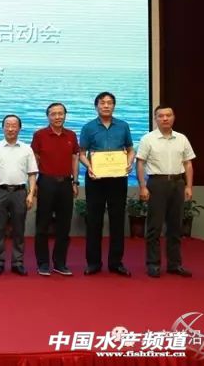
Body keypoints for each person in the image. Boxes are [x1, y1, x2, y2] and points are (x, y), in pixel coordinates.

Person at [79, 92, 134, 277]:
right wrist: (89, 166)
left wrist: (129, 162)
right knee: (94, 220)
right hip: (95, 179)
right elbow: (81, 153)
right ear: (96, 106)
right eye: (102, 103)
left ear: (114, 106)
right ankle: (93, 263)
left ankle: (116, 263)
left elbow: (130, 149)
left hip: (118, 179)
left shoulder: (123, 126)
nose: (106, 106)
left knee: (117, 220)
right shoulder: (88, 127)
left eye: (110, 103)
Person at [136, 105, 195, 278]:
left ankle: (174, 264)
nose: (165, 118)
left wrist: (189, 186)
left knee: (175, 226)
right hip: (157, 183)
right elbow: (140, 163)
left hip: (177, 183)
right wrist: (142, 186)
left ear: (173, 117)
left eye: (168, 115)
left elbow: (188, 164)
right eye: (161, 116)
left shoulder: (181, 138)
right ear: (155, 118)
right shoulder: (148, 139)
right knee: (154, 226)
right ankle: (153, 264)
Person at [31, 103, 80, 276]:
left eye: (61, 113)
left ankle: (60, 263)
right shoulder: (39, 135)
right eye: (54, 114)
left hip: (66, 183)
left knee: (64, 226)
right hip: (46, 182)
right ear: (48, 116)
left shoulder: (71, 135)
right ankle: (43, 263)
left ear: (65, 115)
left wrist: (75, 182)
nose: (58, 117)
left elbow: (75, 159)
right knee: (42, 225)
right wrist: (34, 184)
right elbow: (34, 160)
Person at [0, 115, 38, 276]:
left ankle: (18, 262)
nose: (10, 129)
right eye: (7, 125)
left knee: (19, 229)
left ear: (19, 128)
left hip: (20, 192)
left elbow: (32, 173)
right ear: (2, 128)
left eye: (14, 125)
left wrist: (31, 194)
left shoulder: (26, 149)